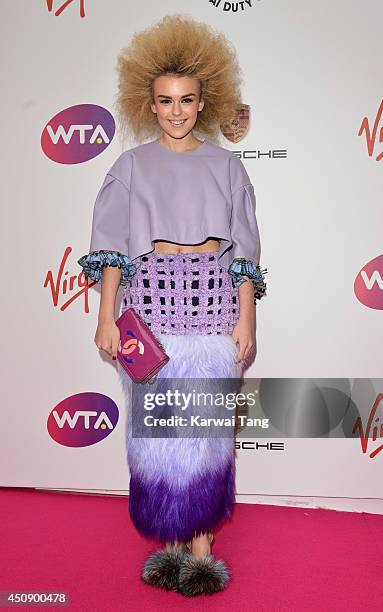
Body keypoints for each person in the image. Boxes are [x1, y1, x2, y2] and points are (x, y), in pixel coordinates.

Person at [77, 14, 267, 597]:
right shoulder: (131, 168)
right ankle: (167, 546)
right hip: (152, 322)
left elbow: (243, 256)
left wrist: (246, 318)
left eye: (187, 99)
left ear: (204, 99)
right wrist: (107, 316)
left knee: (205, 438)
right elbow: (113, 252)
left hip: (211, 321)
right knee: (158, 438)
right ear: (148, 104)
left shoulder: (229, 167)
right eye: (165, 101)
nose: (177, 111)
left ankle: (203, 552)